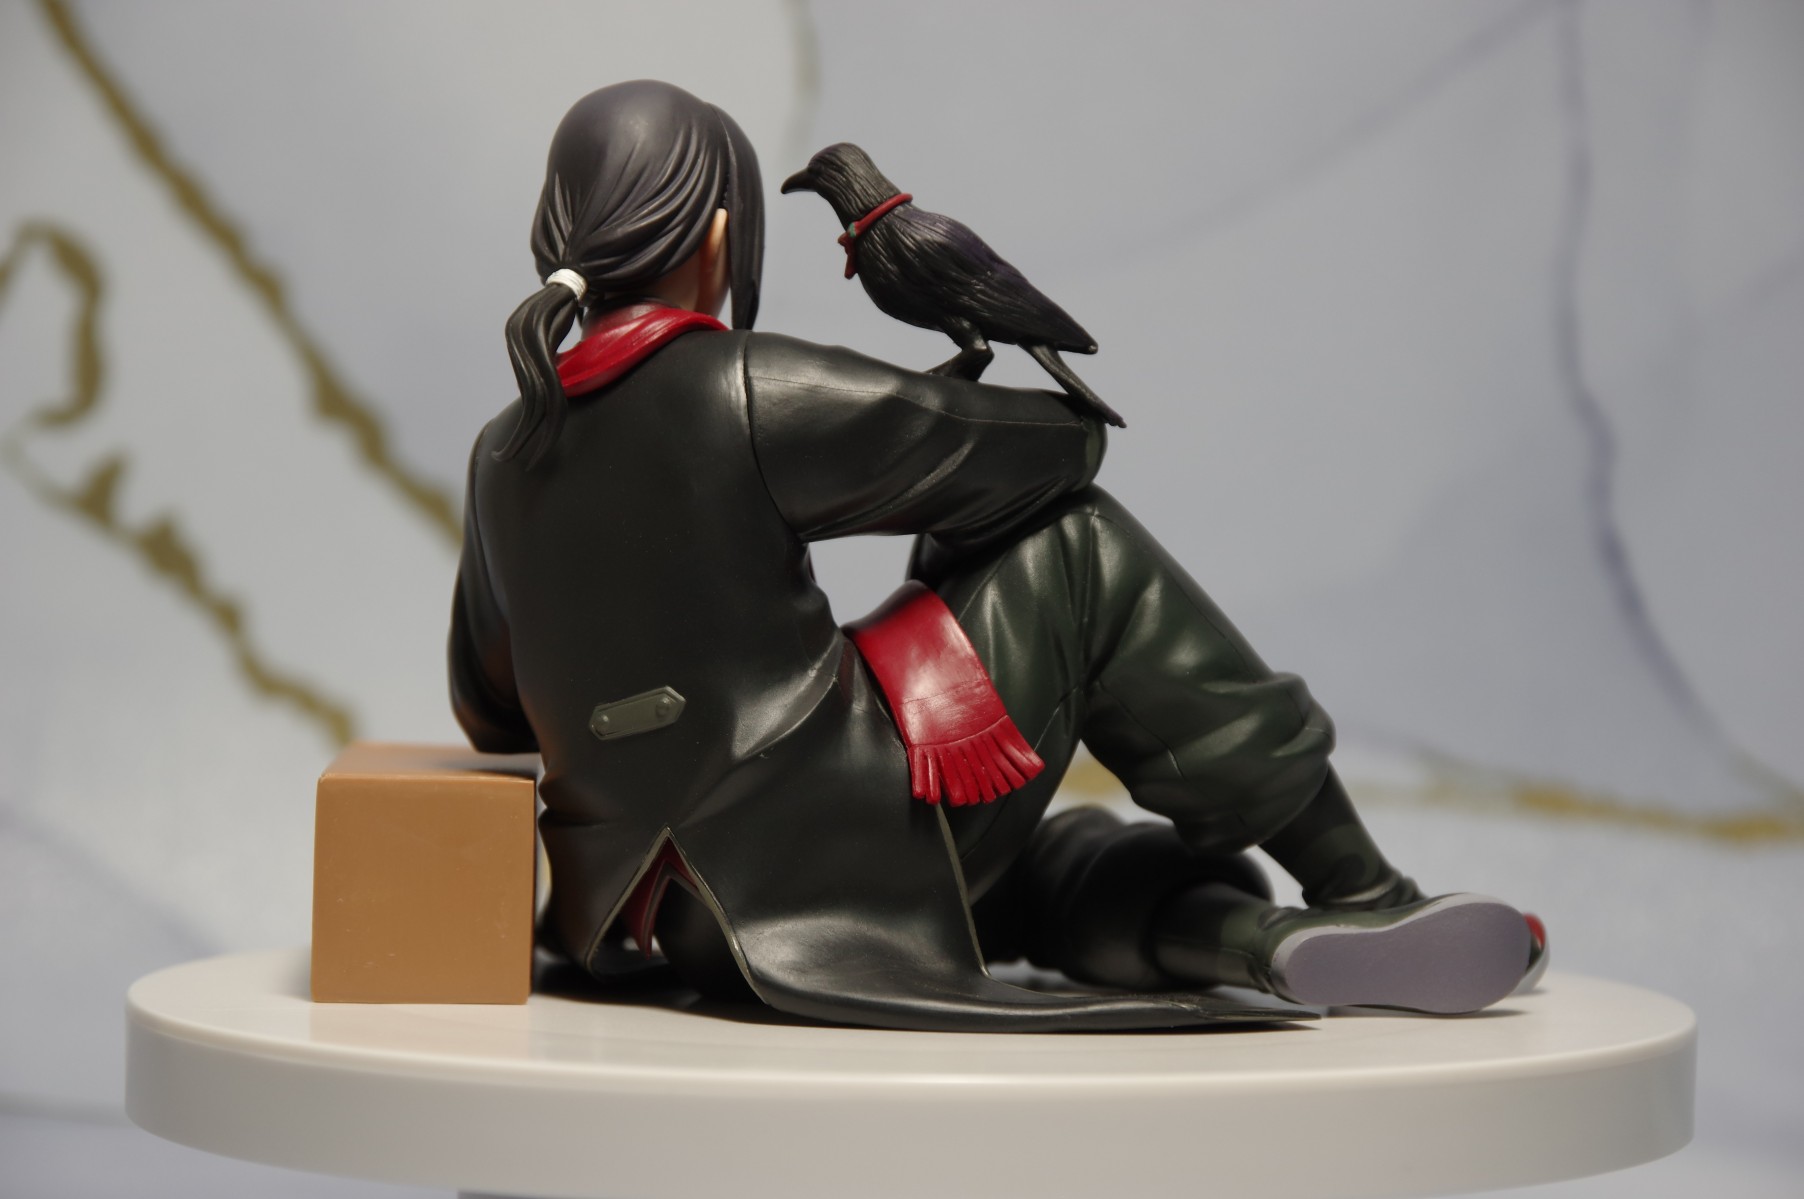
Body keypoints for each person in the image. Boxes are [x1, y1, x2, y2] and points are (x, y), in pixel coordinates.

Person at [450, 80, 1539, 1032]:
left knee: (1052, 865)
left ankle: (1260, 943)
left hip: (670, 921)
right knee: (1077, 544)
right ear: (719, 237)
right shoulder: (745, 387)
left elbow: (490, 711)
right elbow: (1046, 456)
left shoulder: (502, 452)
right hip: (827, 854)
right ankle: (1361, 887)